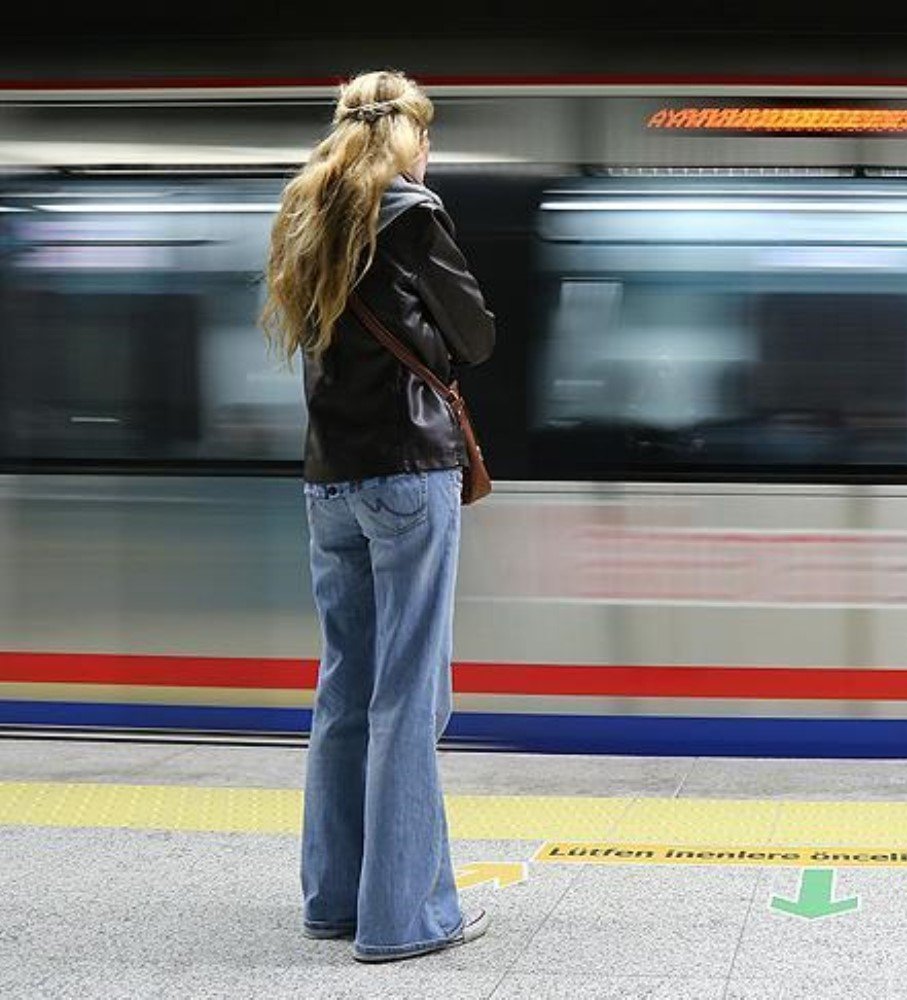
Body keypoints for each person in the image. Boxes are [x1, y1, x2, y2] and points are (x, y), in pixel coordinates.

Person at [260, 69, 496, 964]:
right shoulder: (412, 214)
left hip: (329, 480)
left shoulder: (306, 217)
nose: (428, 152)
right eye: (425, 137)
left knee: (345, 688)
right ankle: (405, 917)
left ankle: (333, 899)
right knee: (406, 693)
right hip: (407, 474)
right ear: (405, 139)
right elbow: (474, 337)